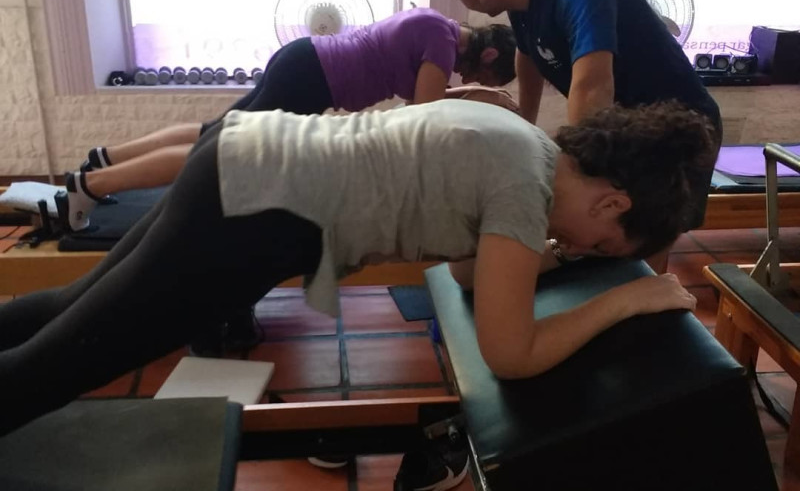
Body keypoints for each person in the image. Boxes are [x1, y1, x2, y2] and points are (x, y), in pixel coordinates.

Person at [1, 97, 714, 438]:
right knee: (65, 364)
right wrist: (626, 300)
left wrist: (553, 257)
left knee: (70, 313)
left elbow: (467, 276)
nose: (583, 253)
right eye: (601, 245)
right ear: (613, 202)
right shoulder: (522, 190)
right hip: (256, 210)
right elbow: (511, 353)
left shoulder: (523, 143)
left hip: (241, 157)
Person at [61, 7, 517, 232]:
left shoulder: (436, 26)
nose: (468, 78)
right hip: (311, 77)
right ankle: (92, 186)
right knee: (220, 152)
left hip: (304, 61)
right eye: (479, 74)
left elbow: (421, 99)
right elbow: (425, 117)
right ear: (489, 54)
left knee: (215, 132)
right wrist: (476, 100)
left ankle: (103, 159)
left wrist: (472, 93)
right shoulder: (442, 42)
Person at [431, 0, 723, 271]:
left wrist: (575, 173)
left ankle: (652, 297)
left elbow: (593, 87)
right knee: (598, 244)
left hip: (679, 130)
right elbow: (527, 58)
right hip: (625, 130)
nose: (464, 3)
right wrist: (524, 130)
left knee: (640, 246)